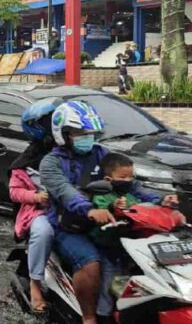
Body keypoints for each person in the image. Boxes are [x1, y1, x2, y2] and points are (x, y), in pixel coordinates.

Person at [40, 101, 163, 324]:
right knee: (91, 262)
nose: (87, 137)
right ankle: (89, 317)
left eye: (91, 132)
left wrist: (160, 201)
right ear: (64, 134)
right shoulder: (51, 163)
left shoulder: (101, 154)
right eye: (80, 132)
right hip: (70, 227)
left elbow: (131, 185)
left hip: (109, 222)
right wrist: (90, 210)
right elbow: (65, 192)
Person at [9, 98, 60, 314]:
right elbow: (14, 191)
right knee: (43, 231)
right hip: (40, 212)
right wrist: (36, 197)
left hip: (72, 209)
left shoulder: (73, 152)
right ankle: (35, 285)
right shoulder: (26, 161)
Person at [88, 153, 178, 248]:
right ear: (107, 180)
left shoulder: (130, 195)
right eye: (123, 177)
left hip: (131, 238)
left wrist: (163, 203)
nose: (128, 180)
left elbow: (143, 206)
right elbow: (101, 211)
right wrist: (113, 206)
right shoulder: (101, 195)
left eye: (131, 177)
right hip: (105, 240)